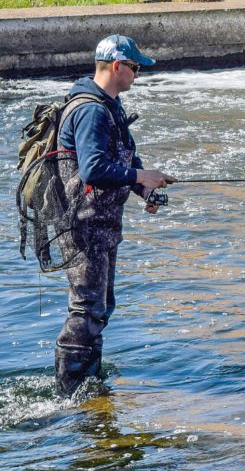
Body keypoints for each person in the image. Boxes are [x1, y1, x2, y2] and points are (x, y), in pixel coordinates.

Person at [54, 35, 177, 395]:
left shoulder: (112, 106)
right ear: (116, 66)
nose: (138, 74)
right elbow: (92, 170)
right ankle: (69, 391)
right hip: (82, 226)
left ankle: (90, 385)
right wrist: (141, 176)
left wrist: (145, 190)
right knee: (87, 309)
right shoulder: (91, 109)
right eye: (135, 67)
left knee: (101, 307)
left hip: (103, 225)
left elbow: (125, 159)